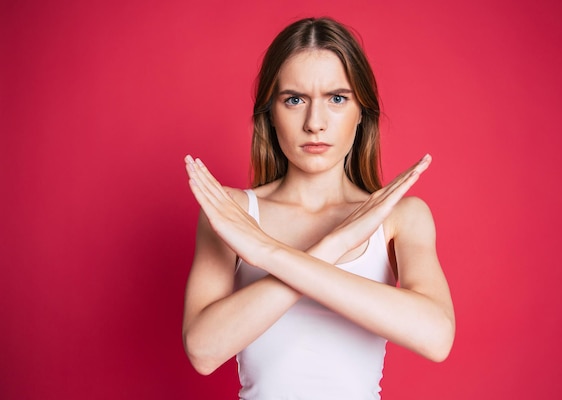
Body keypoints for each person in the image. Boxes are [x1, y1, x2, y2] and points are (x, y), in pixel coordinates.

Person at [182, 17, 455, 399]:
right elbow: (204, 351)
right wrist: (334, 244)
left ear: (361, 111)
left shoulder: (399, 216)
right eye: (294, 100)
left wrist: (268, 253)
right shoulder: (230, 211)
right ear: (271, 113)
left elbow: (436, 336)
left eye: (337, 99)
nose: (315, 123)